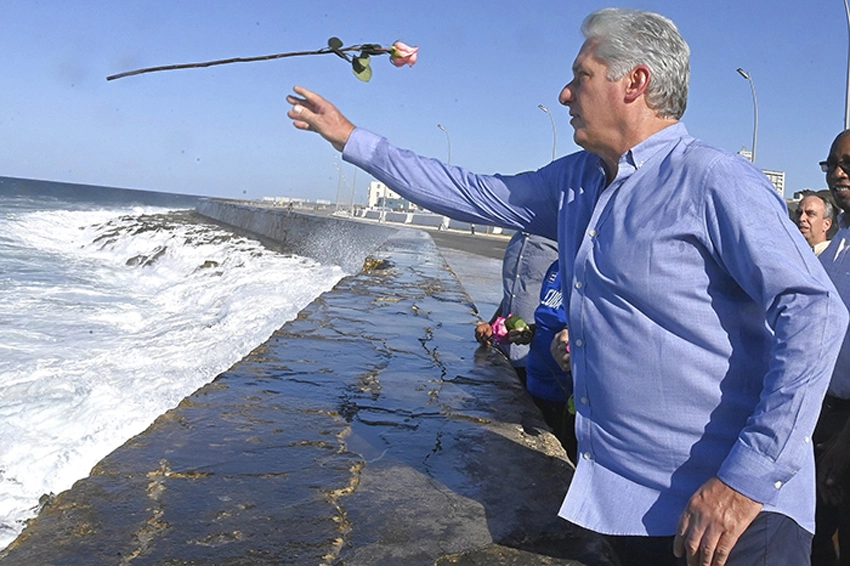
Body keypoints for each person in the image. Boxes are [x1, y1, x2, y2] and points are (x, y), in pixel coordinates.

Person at [286, 8, 847, 565]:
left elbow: (815, 314)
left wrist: (746, 480)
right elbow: (465, 190)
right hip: (628, 508)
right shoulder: (576, 181)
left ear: (636, 82)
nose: (564, 94)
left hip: (733, 517)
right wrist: (350, 138)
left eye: (581, 76)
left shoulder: (713, 179)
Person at [812, 131, 850, 565]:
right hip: (825, 418)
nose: (839, 173)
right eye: (832, 164)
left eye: (849, 164)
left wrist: (845, 445)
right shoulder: (836, 240)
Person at [509, 259, 577, 463]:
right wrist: (530, 332)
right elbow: (547, 320)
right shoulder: (557, 266)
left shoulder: (597, 271)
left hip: (564, 399)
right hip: (534, 387)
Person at [475, 231, 558, 384]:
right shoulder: (517, 239)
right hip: (504, 350)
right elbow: (513, 293)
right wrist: (492, 324)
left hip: (538, 359)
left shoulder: (558, 240)